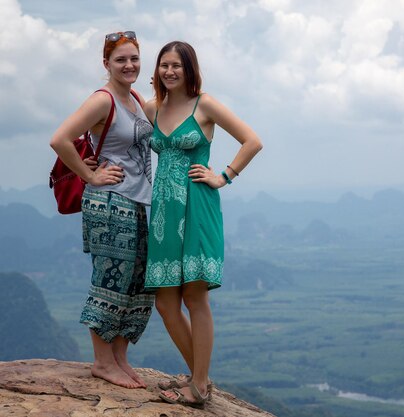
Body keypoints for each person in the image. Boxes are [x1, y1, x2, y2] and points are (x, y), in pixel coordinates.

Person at [143, 41, 262, 408]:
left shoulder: (204, 105)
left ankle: (197, 386)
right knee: (165, 303)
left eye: (177, 65)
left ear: (190, 69)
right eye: (164, 65)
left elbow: (252, 140)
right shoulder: (153, 108)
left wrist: (224, 176)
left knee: (195, 297)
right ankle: (200, 378)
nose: (170, 71)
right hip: (164, 212)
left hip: (197, 206)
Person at [49, 31, 154, 389]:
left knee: (138, 285)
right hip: (110, 203)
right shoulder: (103, 100)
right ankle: (101, 362)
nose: (129, 65)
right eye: (121, 59)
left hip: (139, 202)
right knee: (111, 281)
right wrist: (90, 175)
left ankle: (119, 357)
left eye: (134, 59)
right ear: (106, 64)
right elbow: (59, 138)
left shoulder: (136, 99)